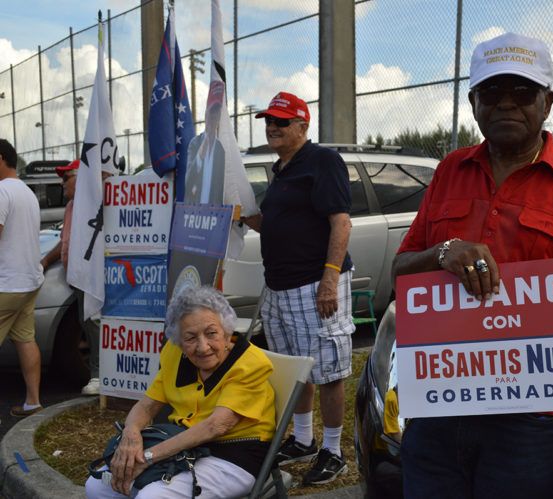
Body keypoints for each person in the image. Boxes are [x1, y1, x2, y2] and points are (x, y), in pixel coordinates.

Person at [392, 33, 553, 499]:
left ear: (547, 102)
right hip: (442, 410)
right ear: (473, 102)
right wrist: (444, 251)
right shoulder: (448, 171)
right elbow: (401, 272)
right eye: (491, 92)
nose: (506, 103)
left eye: (523, 92)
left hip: (537, 425)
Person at [242, 91, 354, 485]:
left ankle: (334, 451)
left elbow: (341, 222)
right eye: (268, 121)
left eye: (281, 122)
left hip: (314, 285)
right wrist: (240, 216)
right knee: (298, 369)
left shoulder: (322, 160)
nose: (272, 127)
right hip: (279, 287)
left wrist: (329, 279)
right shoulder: (282, 169)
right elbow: (277, 223)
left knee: (328, 370)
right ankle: (305, 440)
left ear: (303, 126)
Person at [85, 285, 275, 498]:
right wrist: (131, 435)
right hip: (184, 447)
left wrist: (147, 457)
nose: (203, 347)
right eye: (191, 338)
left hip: (234, 457)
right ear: (179, 340)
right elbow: (147, 405)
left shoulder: (250, 364)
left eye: (211, 333)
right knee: (98, 484)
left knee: (153, 496)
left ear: (227, 331)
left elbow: (216, 426)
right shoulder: (174, 353)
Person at [40, 159, 101, 395]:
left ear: (82, 179)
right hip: (76, 277)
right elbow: (65, 241)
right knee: (87, 323)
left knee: (94, 323)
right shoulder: (72, 207)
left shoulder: (94, 204)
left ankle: (99, 376)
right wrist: (46, 260)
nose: (62, 183)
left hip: (90, 276)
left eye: (67, 178)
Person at [0, 139, 45, 418]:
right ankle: (33, 402)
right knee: (25, 339)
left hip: (6, 284)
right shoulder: (26, 192)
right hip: (28, 282)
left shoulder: (2, 190)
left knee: (25, 339)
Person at [184, 80, 225, 205]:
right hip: (195, 213)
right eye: (211, 113)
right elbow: (188, 183)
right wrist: (200, 156)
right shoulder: (195, 144)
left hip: (213, 214)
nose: (213, 117)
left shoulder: (220, 149)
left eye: (216, 114)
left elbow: (220, 188)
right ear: (205, 114)